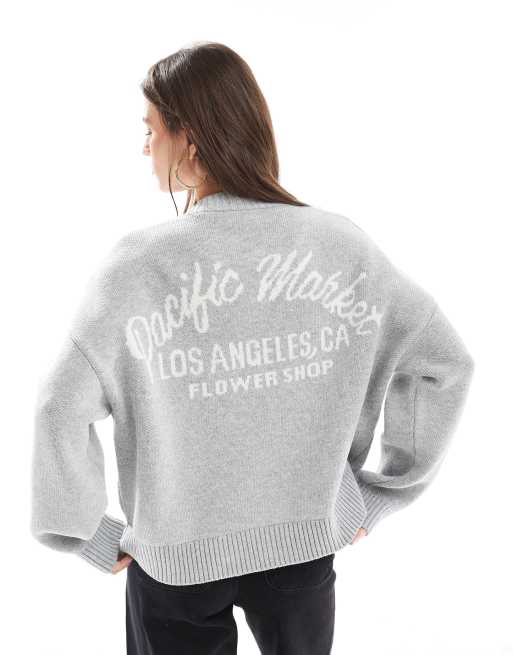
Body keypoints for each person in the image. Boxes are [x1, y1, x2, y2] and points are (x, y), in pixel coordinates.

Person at [29, 41, 475, 655]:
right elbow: (443, 362)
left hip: (176, 564)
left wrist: (85, 532)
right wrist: (378, 493)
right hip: (303, 549)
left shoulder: (137, 267)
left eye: (151, 130)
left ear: (189, 139)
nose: (144, 148)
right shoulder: (340, 247)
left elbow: (59, 405)